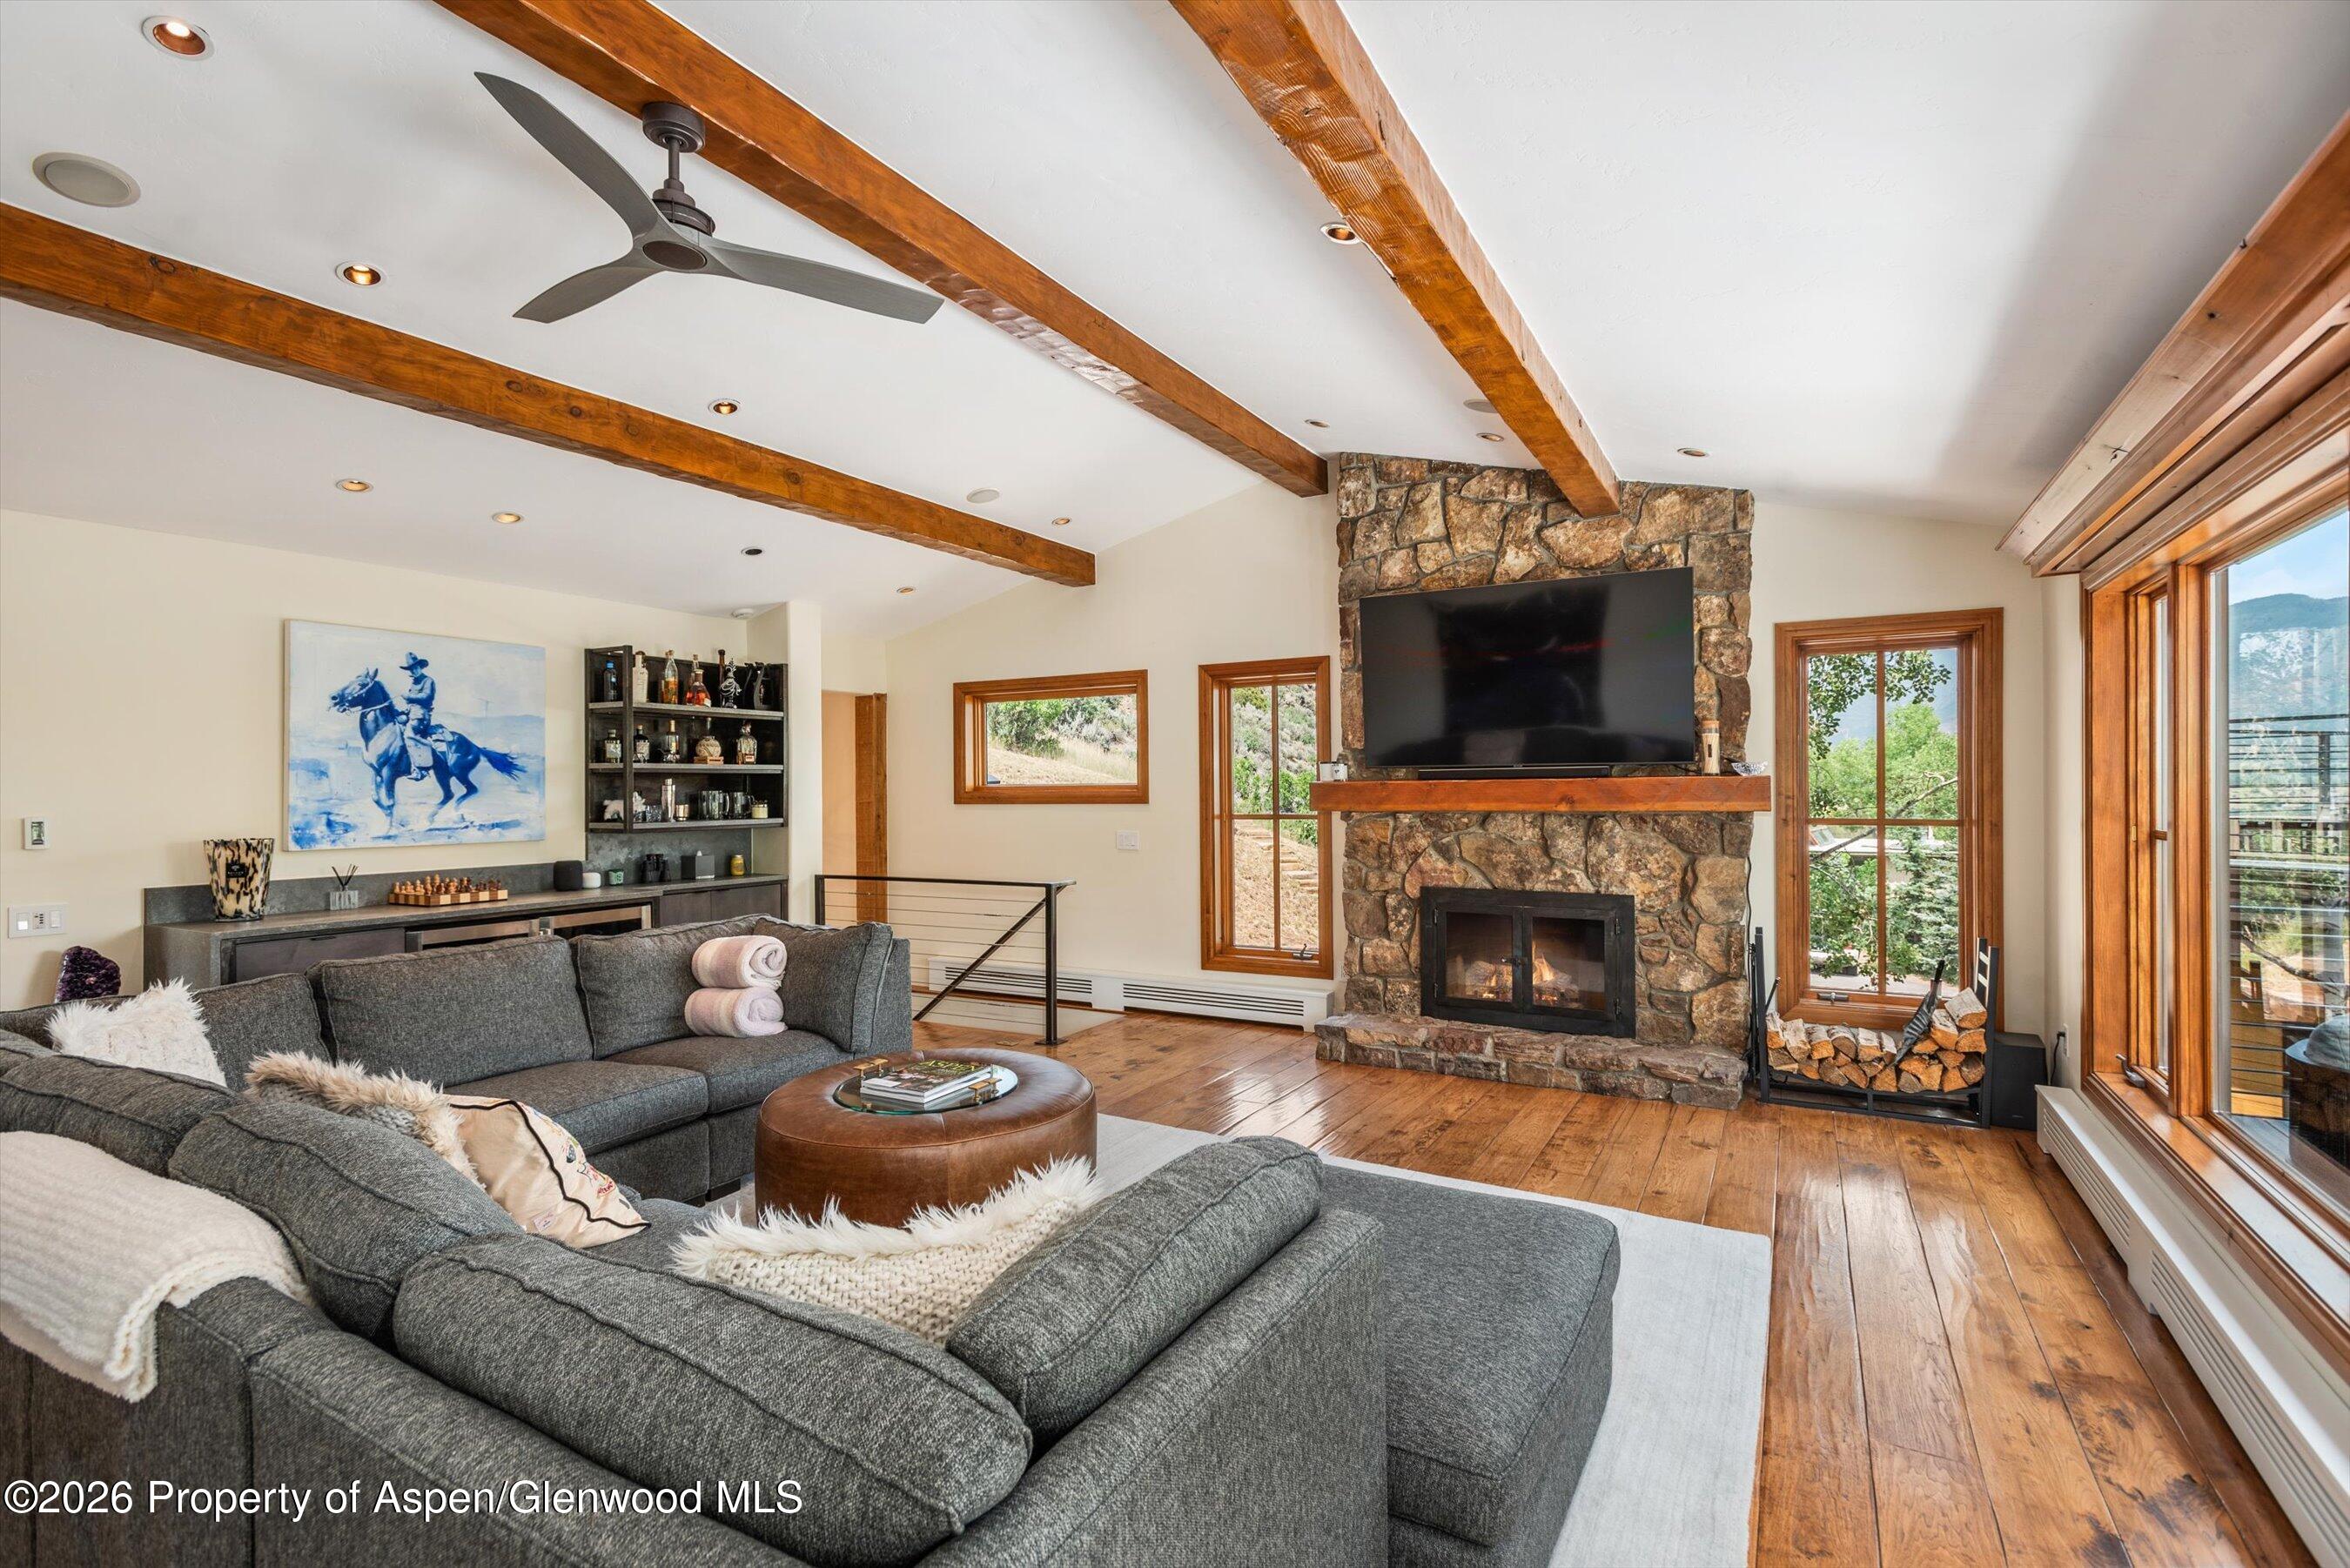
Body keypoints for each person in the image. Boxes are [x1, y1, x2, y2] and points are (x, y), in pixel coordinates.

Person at [399, 653, 443, 781]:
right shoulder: (414, 683)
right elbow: (412, 704)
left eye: (416, 668)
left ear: (420, 667)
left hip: (421, 717)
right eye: (411, 669)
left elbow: (427, 697)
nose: (414, 671)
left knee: (408, 735)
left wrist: (408, 697)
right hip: (412, 714)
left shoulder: (428, 681)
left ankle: (420, 770)